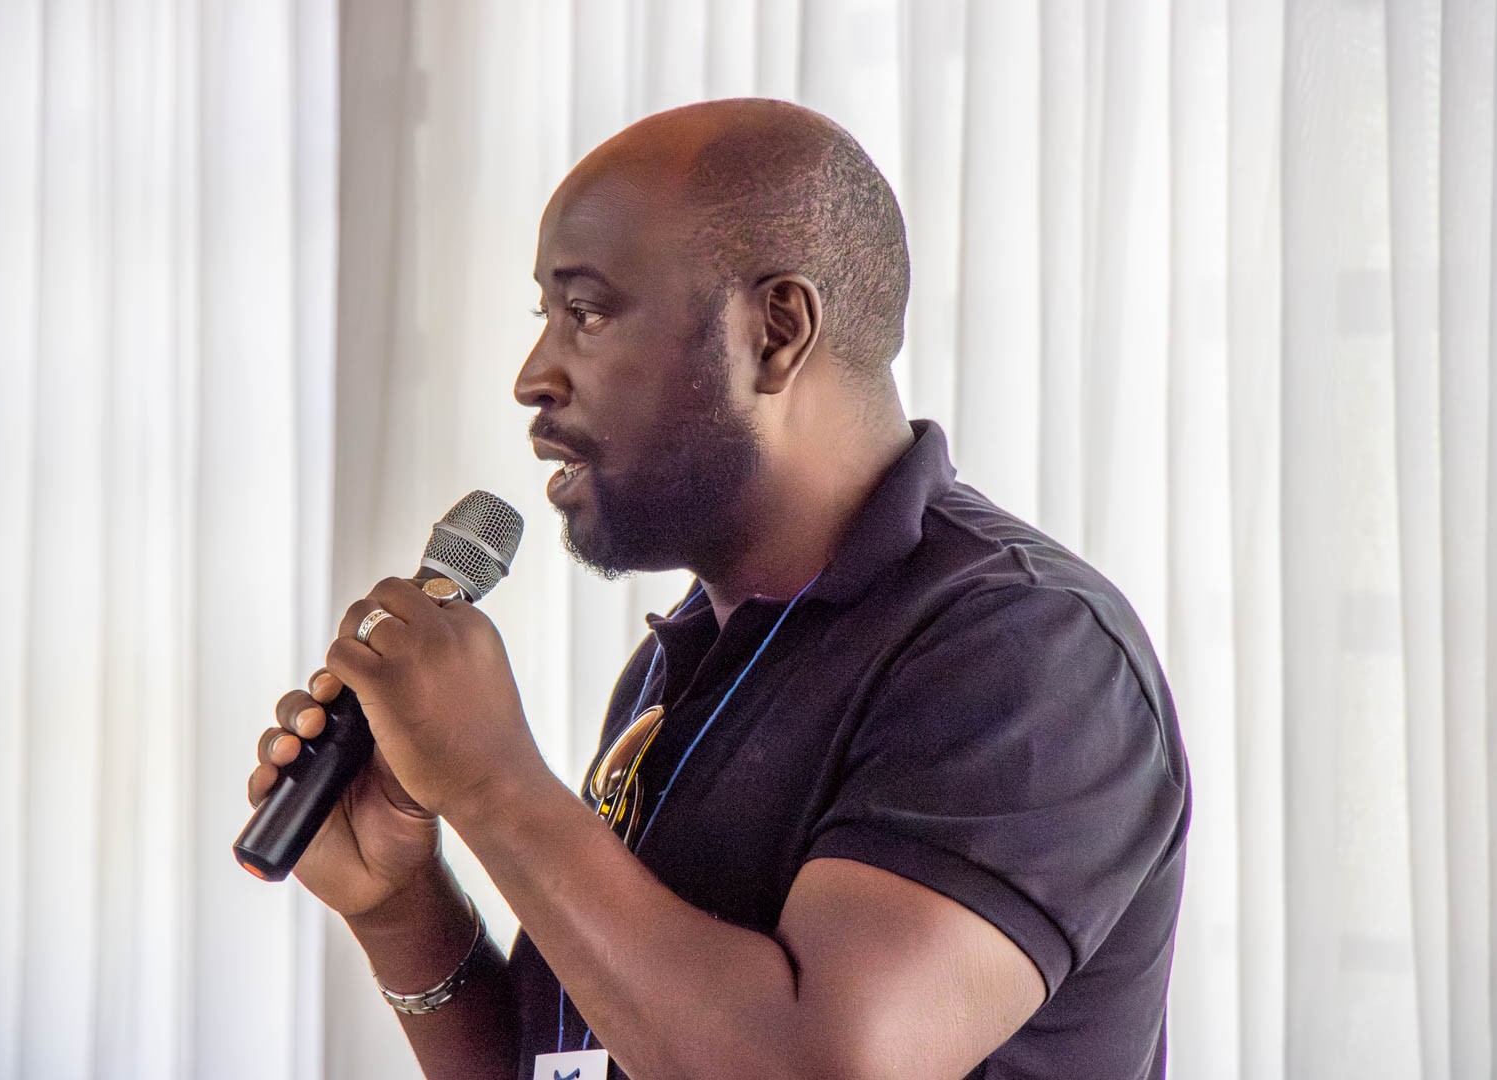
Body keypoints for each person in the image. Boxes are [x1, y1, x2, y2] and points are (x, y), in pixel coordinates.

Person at [248, 97, 1190, 1080]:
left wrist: (496, 787)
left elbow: (818, 1067)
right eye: (545, 319)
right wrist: (403, 911)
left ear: (776, 332)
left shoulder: (1026, 651)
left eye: (587, 314)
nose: (533, 376)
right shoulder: (683, 663)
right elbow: (585, 1062)